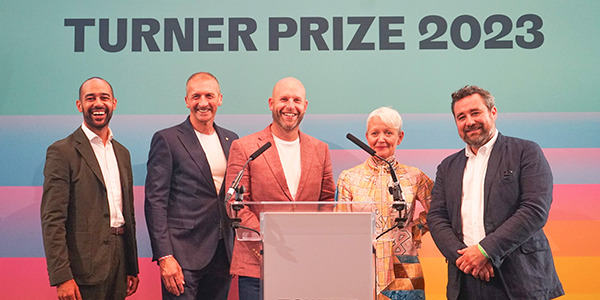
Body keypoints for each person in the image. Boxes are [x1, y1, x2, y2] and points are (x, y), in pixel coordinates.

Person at [427, 85, 564, 299]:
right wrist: (465, 259)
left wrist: (484, 251)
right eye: (461, 117)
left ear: (493, 112)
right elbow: (436, 217)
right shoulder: (447, 167)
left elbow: (534, 210)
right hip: (465, 281)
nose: (469, 121)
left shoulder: (525, 152)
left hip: (521, 278)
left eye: (475, 112)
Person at [225, 77, 335, 300]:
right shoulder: (244, 147)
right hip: (258, 264)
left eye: (296, 100)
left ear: (305, 106)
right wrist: (270, 239)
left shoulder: (320, 149)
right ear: (271, 103)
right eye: (283, 99)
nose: (290, 106)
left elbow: (327, 201)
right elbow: (235, 204)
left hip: (306, 263)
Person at [40, 77, 139, 300]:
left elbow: (127, 214)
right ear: (79, 105)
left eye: (104, 98)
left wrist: (131, 266)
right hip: (82, 268)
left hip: (120, 262)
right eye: (90, 98)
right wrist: (61, 276)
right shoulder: (62, 151)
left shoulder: (122, 153)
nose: (98, 103)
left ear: (113, 103)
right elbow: (52, 218)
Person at [144, 72, 238, 300]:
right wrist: (165, 256)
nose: (203, 103)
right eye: (196, 96)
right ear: (187, 101)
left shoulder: (231, 139)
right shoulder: (167, 139)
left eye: (209, 95)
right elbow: (155, 201)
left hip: (221, 255)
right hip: (182, 257)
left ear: (220, 99)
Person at [335, 107, 433, 300]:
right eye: (375, 133)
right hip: (362, 266)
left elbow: (439, 211)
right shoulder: (348, 178)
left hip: (405, 268)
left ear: (400, 137)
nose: (381, 139)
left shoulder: (415, 176)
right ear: (366, 137)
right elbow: (341, 225)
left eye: (388, 133)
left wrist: (414, 230)